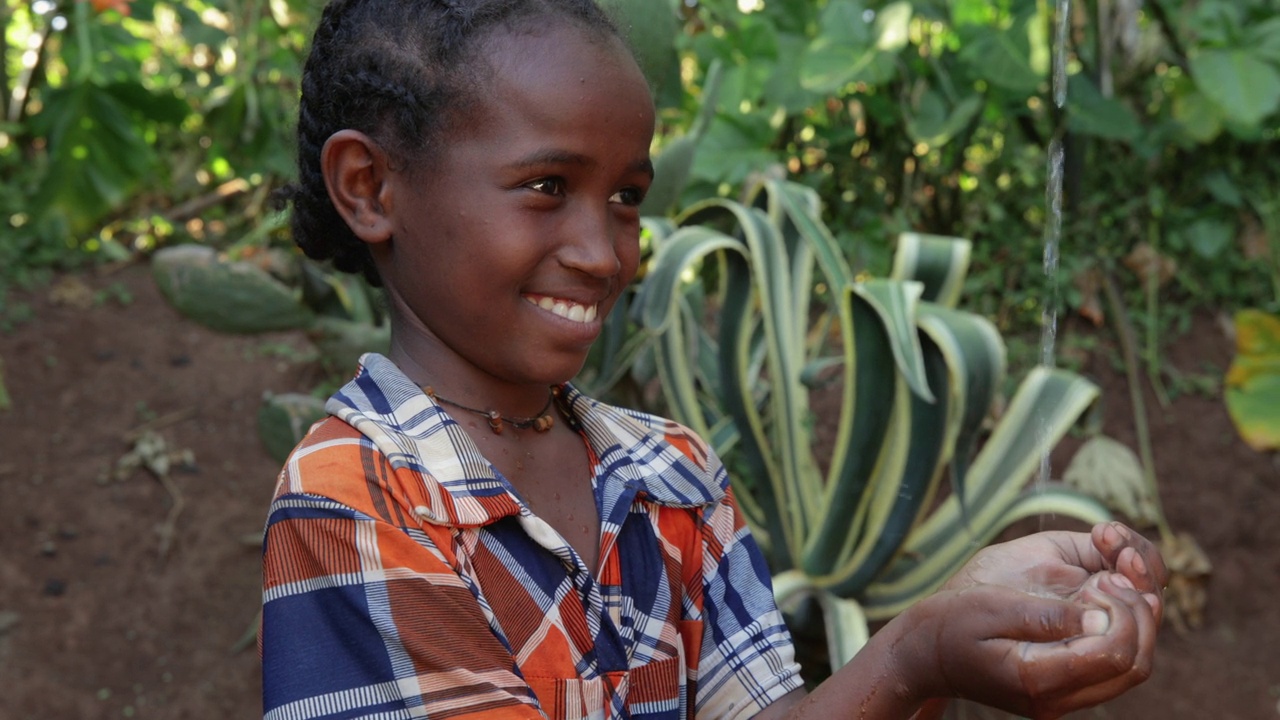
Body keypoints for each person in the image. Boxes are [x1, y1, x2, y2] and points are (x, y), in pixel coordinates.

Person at [260, 1, 1168, 718]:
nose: (605, 250)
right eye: (547, 186)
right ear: (369, 187)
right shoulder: (355, 503)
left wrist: (949, 623)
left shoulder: (669, 478)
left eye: (626, 197)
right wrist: (910, 653)